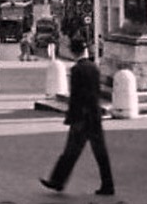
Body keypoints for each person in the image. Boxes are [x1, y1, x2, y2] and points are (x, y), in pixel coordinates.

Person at [40, 37, 114, 197]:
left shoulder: (76, 70)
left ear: (73, 52)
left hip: (81, 117)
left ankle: (57, 181)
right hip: (94, 115)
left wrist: (70, 117)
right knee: (100, 153)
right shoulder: (94, 68)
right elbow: (97, 92)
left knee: (70, 152)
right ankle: (108, 185)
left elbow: (75, 98)